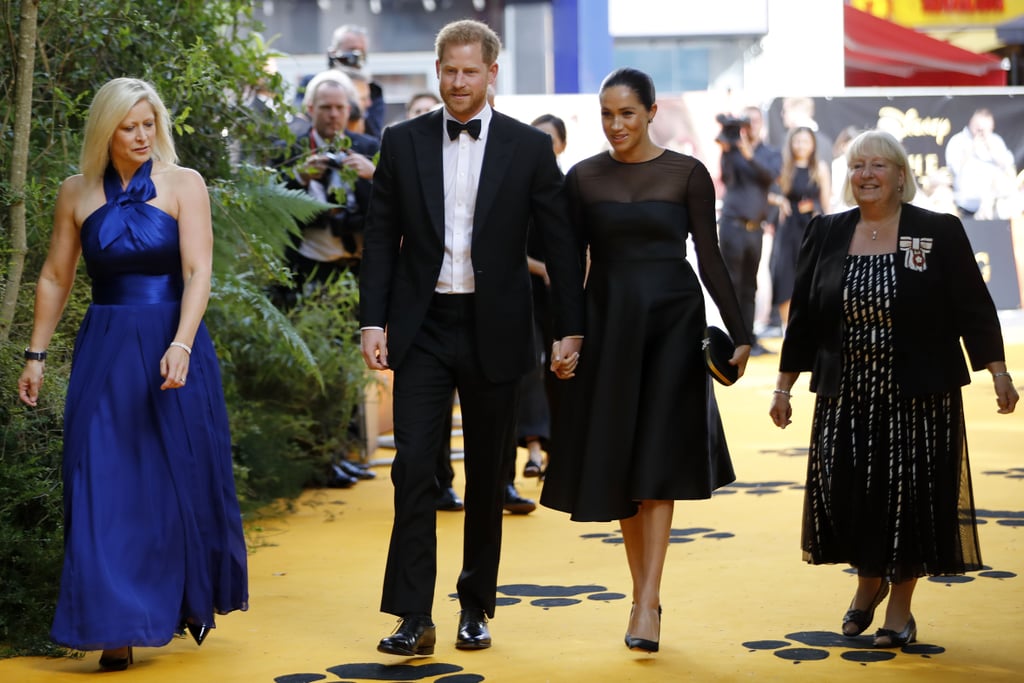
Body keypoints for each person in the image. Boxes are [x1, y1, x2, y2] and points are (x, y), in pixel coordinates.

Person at [359, 20, 585, 656]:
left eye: (469, 71)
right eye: (448, 70)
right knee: (412, 472)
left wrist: (570, 326)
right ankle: (411, 615)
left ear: (492, 73)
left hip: (497, 326)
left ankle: (476, 606)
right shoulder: (400, 142)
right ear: (438, 71)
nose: (458, 82)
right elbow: (381, 238)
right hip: (423, 325)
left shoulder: (528, 148)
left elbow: (560, 244)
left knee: (489, 475)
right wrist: (372, 319)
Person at [16, 77, 249, 670]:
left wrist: (182, 343)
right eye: (129, 126)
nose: (142, 135)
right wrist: (36, 355)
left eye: (149, 123)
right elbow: (53, 277)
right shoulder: (76, 192)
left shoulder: (184, 184)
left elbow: (199, 272)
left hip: (173, 346)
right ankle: (111, 627)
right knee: (99, 480)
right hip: (106, 349)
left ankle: (162, 607)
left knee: (167, 484)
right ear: (106, 131)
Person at [769, 130, 1018, 648]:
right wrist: (784, 386)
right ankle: (867, 584)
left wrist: (997, 371)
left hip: (919, 395)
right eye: (858, 166)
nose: (866, 175)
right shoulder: (827, 231)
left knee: (911, 499)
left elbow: (973, 305)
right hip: (847, 396)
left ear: (901, 175)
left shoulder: (937, 231)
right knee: (853, 498)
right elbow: (806, 319)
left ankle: (899, 609)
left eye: (878, 165)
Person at [541, 67, 752, 654]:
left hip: (672, 325)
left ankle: (646, 600)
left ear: (652, 112)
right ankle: (644, 594)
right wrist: (569, 333)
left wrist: (740, 334)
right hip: (608, 323)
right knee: (620, 461)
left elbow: (710, 259)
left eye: (627, 113)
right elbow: (569, 266)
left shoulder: (687, 173)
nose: (616, 125)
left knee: (657, 456)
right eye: (607, 114)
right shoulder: (582, 178)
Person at [280, 70, 379, 289]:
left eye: (340, 108)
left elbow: (394, 202)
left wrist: (375, 175)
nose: (333, 114)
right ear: (310, 109)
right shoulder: (290, 150)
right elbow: (273, 204)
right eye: (326, 107)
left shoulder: (369, 147)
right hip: (309, 263)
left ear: (349, 110)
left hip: (362, 264)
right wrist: (299, 178)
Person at [717, 105, 782, 356]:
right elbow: (727, 178)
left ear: (761, 123)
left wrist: (748, 155)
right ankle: (733, 339)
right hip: (733, 225)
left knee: (749, 286)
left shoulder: (769, 153)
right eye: (746, 121)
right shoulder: (731, 151)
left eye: (754, 121)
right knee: (732, 284)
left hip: (756, 229)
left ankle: (749, 338)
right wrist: (728, 149)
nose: (750, 125)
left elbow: (771, 177)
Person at [769, 126, 830, 327]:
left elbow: (826, 204)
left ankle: (811, 327)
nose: (801, 145)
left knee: (811, 277)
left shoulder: (819, 169)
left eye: (805, 141)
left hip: (811, 228)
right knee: (786, 277)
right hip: (788, 228)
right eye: (797, 141)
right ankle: (788, 328)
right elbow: (766, 193)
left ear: (813, 144)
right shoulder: (784, 167)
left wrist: (818, 212)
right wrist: (780, 201)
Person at [944, 108, 1018, 220]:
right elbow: (954, 169)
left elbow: (1009, 166)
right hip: (966, 200)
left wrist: (993, 151)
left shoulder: (996, 141)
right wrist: (971, 149)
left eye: (985, 128)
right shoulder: (958, 141)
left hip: (993, 201)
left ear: (991, 127)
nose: (981, 131)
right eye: (978, 127)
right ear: (971, 123)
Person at [327, 23, 385, 139]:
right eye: (352, 50)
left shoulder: (373, 90)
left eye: (361, 51)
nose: (357, 56)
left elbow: (374, 133)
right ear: (334, 53)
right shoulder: (314, 84)